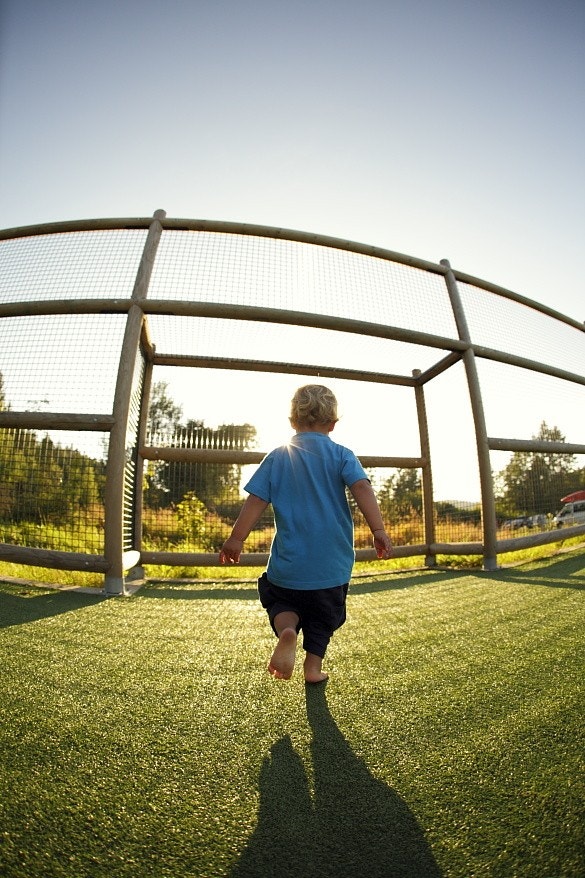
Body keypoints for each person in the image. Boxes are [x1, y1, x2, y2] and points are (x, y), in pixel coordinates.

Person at [219, 384, 393, 683]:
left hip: (289, 564)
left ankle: (287, 631)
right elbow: (362, 487)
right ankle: (312, 670)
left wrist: (237, 539)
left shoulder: (278, 455)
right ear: (333, 424)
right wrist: (377, 529)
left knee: (281, 600)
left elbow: (256, 500)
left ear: (292, 422)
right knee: (323, 618)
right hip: (332, 565)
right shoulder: (341, 454)